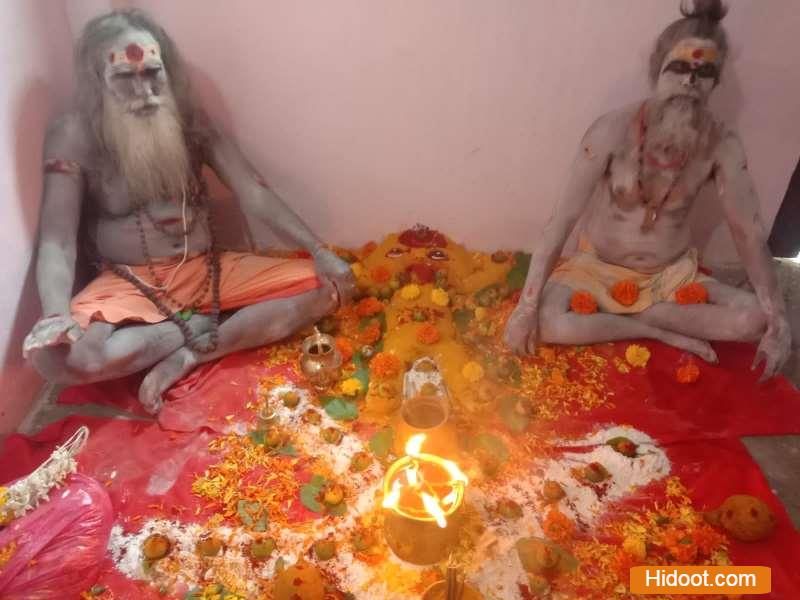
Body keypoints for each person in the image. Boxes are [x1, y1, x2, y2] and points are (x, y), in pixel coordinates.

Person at [22, 9, 355, 412]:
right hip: (130, 283)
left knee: (331, 286)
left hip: (206, 272)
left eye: (152, 73)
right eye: (124, 78)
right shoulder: (73, 134)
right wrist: (55, 315)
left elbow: (253, 191)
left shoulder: (188, 118)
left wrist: (318, 250)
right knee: (54, 359)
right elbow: (57, 241)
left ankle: (189, 355)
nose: (145, 92)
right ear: (97, 81)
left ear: (167, 69)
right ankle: (200, 327)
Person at [504, 0, 791, 381]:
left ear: (715, 83)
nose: (689, 82)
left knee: (754, 319)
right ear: (657, 71)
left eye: (704, 73)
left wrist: (778, 320)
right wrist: (525, 308)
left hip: (670, 278)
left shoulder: (721, 145)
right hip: (596, 271)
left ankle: (631, 316)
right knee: (547, 322)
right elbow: (561, 220)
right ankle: (654, 329)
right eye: (679, 68)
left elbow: (748, 233)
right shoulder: (611, 130)